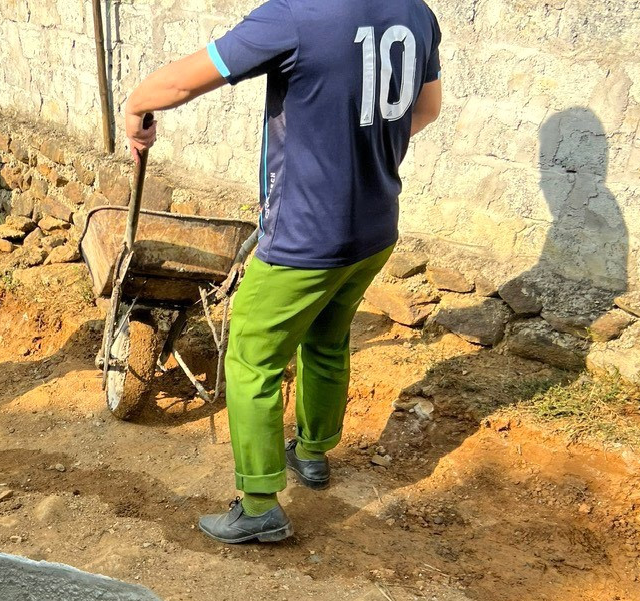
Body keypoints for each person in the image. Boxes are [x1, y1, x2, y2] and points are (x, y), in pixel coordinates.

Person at [124, 0, 442, 544]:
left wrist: (135, 105)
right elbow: (426, 109)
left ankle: (259, 505)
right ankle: (313, 452)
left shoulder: (296, 15)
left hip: (304, 236)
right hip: (375, 228)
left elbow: (179, 86)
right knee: (326, 336)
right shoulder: (417, 13)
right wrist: (364, 155)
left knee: (251, 354)